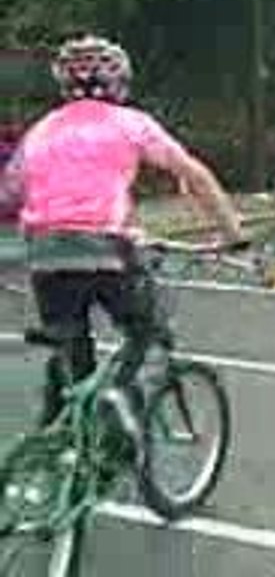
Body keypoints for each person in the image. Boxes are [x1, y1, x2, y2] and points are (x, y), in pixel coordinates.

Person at [0, 34, 245, 437]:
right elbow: (194, 174)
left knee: (70, 347)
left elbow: (12, 188)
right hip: (106, 247)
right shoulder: (131, 123)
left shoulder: (41, 130)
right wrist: (233, 232)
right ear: (120, 83)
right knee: (145, 329)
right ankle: (115, 396)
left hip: (45, 251)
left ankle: (57, 437)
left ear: (64, 85)